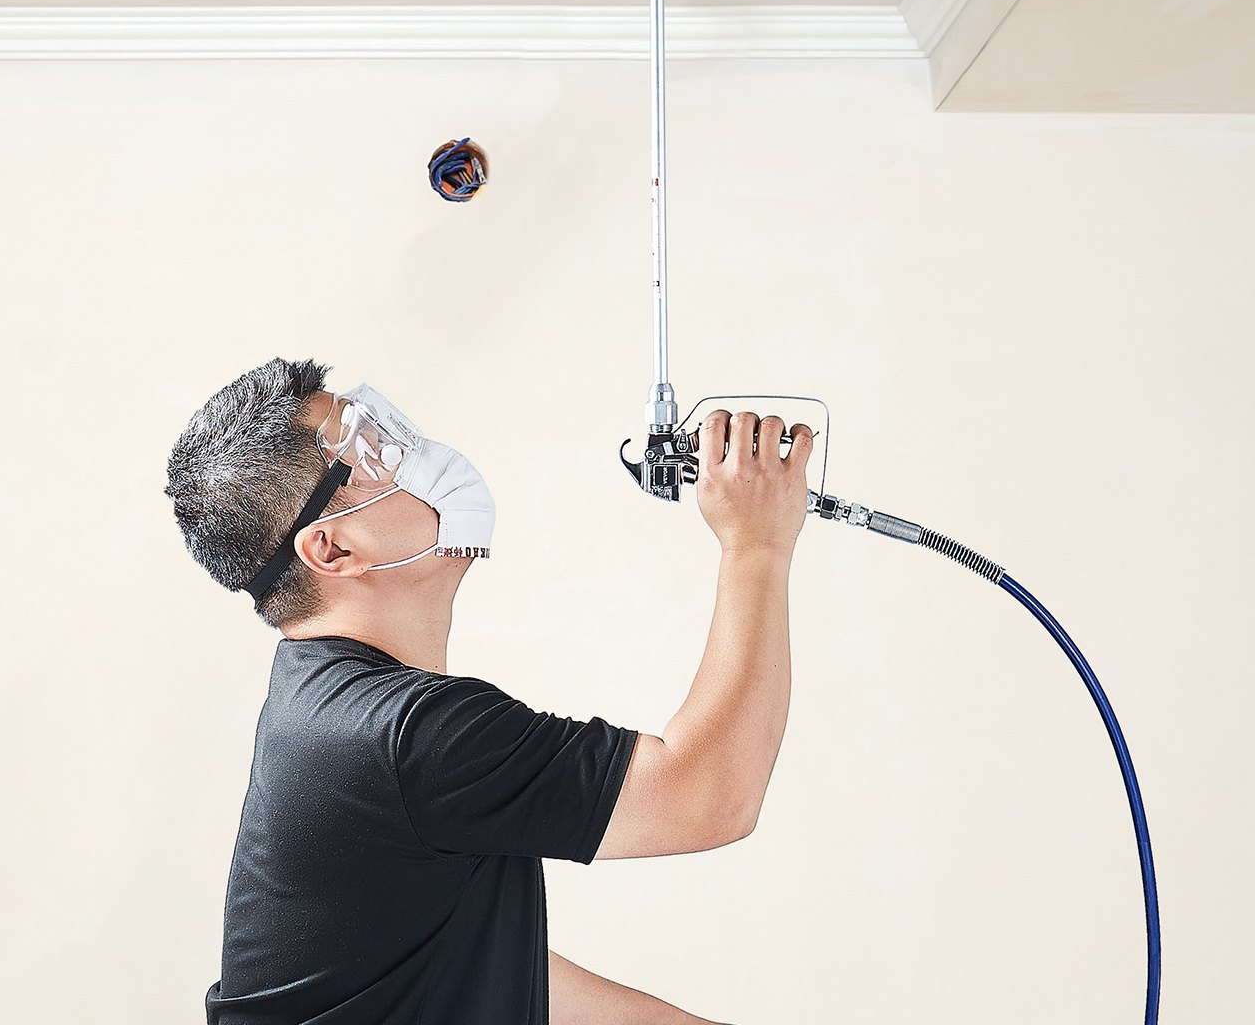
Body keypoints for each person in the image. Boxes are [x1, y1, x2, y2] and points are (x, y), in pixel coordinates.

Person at [162, 357, 814, 1025]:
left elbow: (471, 963)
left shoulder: (321, 703)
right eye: (372, 450)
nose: (416, 453)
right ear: (332, 551)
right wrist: (756, 544)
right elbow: (709, 796)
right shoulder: (408, 734)